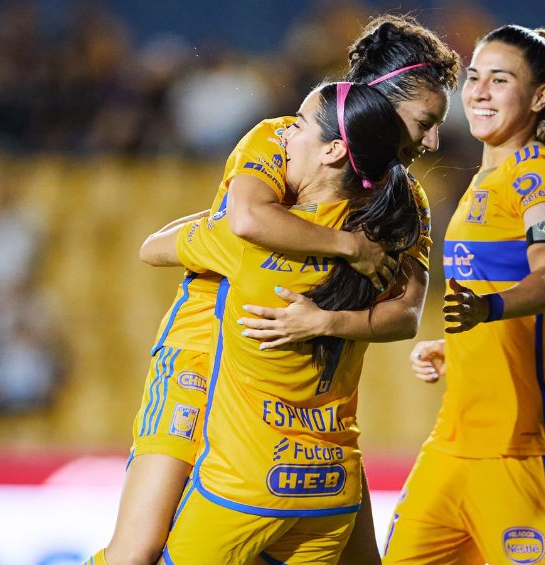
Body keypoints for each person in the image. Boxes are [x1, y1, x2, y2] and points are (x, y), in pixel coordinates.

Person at [88, 14, 461, 565]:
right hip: (200, 360)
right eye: (424, 120)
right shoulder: (282, 137)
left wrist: (327, 320)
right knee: (137, 547)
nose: (432, 140)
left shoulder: (404, 200)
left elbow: (407, 315)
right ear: (377, 101)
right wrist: (348, 247)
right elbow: (245, 218)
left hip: (297, 408)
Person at [141, 81, 421, 563]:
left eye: (299, 124)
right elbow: (406, 317)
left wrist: (235, 205)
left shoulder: (246, 241)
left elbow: (152, 247)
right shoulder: (384, 243)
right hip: (331, 490)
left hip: (246, 484)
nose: (286, 133)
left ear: (333, 148)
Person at [383, 25, 545, 564]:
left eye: (499, 80)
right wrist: (458, 347)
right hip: (455, 445)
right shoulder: (483, 183)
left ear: (539, 96)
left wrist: (489, 308)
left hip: (525, 450)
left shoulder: (538, 179)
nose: (479, 91)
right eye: (474, 77)